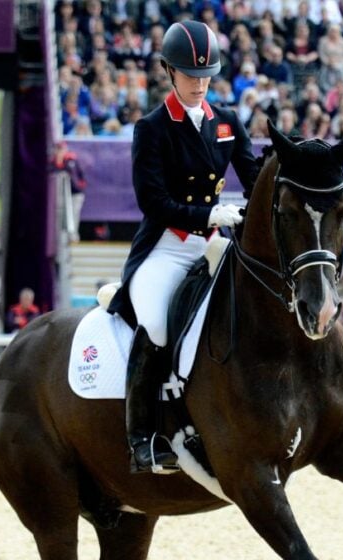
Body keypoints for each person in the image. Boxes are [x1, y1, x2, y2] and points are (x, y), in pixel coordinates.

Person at [106, 20, 260, 475]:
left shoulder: (228, 123)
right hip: (166, 248)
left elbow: (253, 178)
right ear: (169, 73)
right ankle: (141, 439)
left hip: (213, 246)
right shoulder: (152, 129)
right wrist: (207, 215)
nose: (200, 84)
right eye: (190, 76)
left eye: (206, 75)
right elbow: (151, 201)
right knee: (155, 324)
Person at [53, 140, 87, 242]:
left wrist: (81, 186)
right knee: (59, 213)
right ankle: (59, 236)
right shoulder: (53, 161)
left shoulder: (71, 159)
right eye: (58, 149)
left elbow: (78, 175)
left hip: (75, 193)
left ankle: (72, 235)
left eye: (61, 149)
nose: (60, 151)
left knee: (74, 213)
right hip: (60, 194)